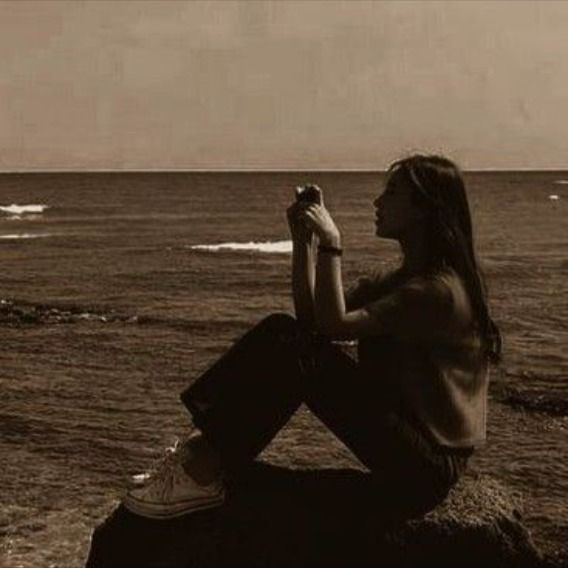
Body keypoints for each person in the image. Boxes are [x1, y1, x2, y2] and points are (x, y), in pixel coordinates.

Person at [122, 154, 501, 520]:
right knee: (283, 331)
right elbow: (312, 322)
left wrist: (332, 240)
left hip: (426, 467)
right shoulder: (405, 280)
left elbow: (333, 326)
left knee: (295, 349)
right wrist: (304, 242)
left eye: (392, 193)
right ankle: (201, 457)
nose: (377, 201)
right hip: (408, 442)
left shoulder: (439, 291)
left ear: (423, 209)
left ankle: (201, 464)